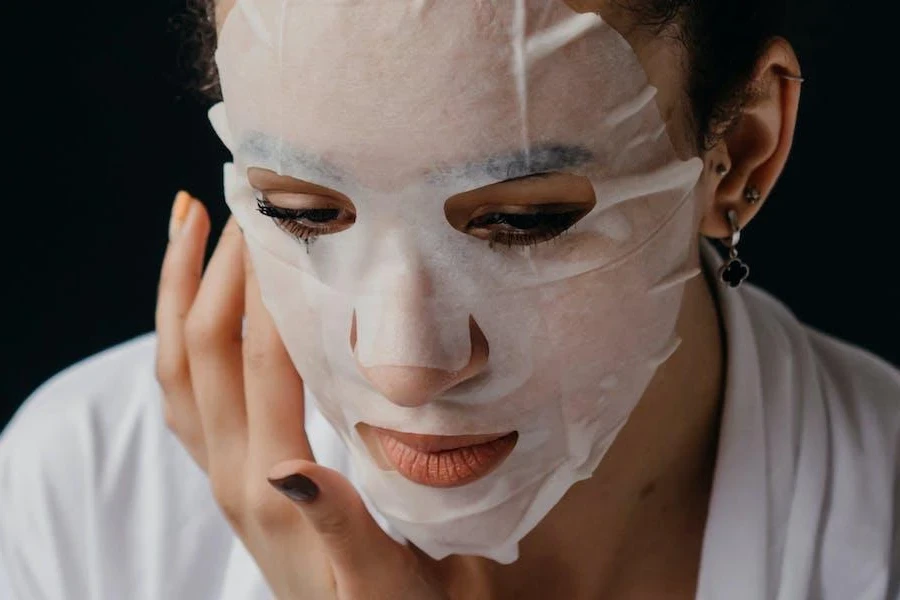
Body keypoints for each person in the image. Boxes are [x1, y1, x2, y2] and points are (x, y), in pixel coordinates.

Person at [1, 0, 898, 598]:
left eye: (519, 222)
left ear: (737, 152)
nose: (405, 364)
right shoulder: (83, 497)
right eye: (301, 212)